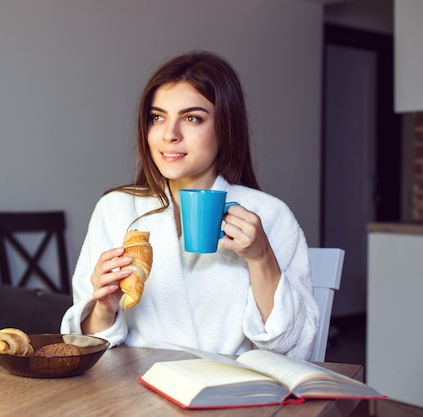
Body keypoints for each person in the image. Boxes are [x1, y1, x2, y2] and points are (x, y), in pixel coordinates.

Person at [60, 51, 319, 359]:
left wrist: (261, 257)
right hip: (137, 391)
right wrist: (104, 306)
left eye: (192, 118)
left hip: (232, 393)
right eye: (157, 118)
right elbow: (83, 346)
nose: (169, 135)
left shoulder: (269, 215)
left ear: (225, 127)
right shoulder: (116, 209)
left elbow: (294, 347)